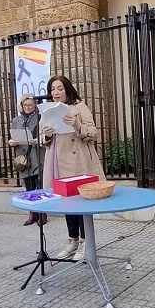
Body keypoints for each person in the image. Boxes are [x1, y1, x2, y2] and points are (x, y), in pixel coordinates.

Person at [40, 75, 106, 262]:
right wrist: (46, 135)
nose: (56, 92)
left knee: (81, 202)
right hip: (59, 163)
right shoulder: (47, 111)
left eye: (60, 88)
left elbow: (93, 133)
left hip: (80, 163)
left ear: (67, 89)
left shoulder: (79, 107)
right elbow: (41, 140)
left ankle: (86, 241)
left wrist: (77, 125)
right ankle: (73, 240)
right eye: (52, 89)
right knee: (67, 202)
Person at [9, 93, 45, 226]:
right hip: (23, 156)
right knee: (28, 186)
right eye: (25, 104)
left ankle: (42, 213)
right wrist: (11, 142)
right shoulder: (16, 120)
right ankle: (32, 213)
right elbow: (12, 136)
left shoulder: (41, 117)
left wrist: (37, 140)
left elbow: (44, 136)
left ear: (35, 105)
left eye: (30, 104)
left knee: (39, 185)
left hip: (37, 154)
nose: (28, 107)